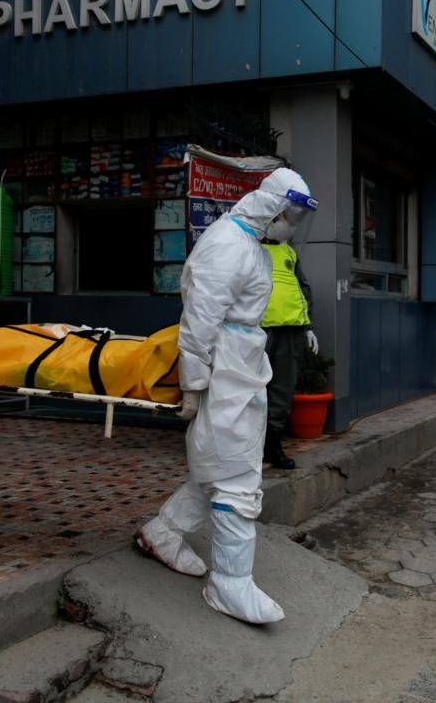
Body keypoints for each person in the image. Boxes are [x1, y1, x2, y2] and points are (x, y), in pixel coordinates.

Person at [135, 167, 317, 624]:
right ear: (270, 204)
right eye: (290, 212)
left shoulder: (251, 243)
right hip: (224, 369)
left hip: (241, 363)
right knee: (236, 476)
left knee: (219, 465)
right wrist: (194, 384)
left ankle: (162, 533)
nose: (292, 222)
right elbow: (199, 323)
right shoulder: (228, 245)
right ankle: (230, 583)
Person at [260, 239, 318, 470]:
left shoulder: (288, 251)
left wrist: (308, 327)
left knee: (282, 387)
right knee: (249, 386)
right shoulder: (248, 244)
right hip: (257, 327)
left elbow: (303, 288)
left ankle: (273, 445)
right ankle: (246, 445)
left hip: (292, 327)